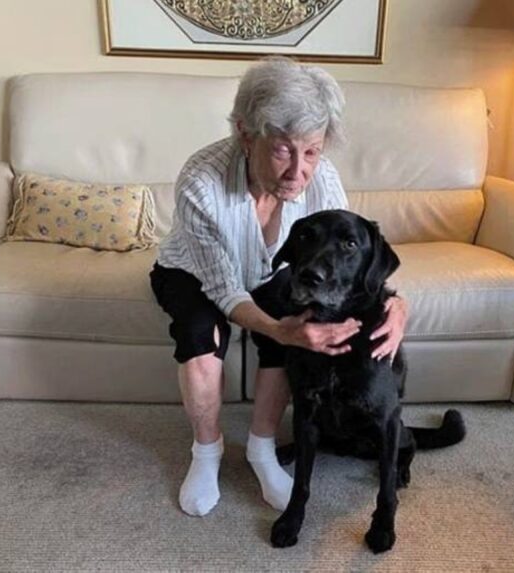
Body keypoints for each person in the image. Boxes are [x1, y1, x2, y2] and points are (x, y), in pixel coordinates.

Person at [150, 56, 407, 517]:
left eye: (312, 152)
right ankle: (206, 453)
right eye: (284, 150)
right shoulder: (201, 180)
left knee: (293, 331)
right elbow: (225, 290)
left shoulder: (322, 177)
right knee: (201, 335)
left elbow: (350, 263)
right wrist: (277, 328)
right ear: (246, 134)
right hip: (193, 271)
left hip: (269, 271)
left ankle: (261, 448)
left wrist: (398, 304)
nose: (298, 171)